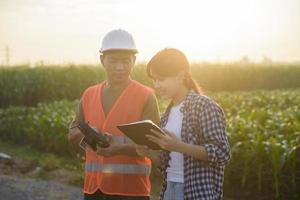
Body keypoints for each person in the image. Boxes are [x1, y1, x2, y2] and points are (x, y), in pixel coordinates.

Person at [68, 29, 160, 200]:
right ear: (102, 60)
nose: (120, 67)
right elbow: (73, 133)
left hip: (131, 191)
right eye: (113, 61)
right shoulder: (89, 94)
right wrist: (84, 134)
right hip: (93, 190)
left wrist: (119, 149)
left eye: (126, 61)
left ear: (134, 61)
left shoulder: (146, 96)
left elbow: (155, 147)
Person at [136, 48, 231, 200]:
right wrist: (149, 153)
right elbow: (166, 164)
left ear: (180, 76)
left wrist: (178, 146)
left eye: (161, 79)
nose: (156, 85)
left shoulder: (205, 106)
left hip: (197, 193)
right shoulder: (167, 114)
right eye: (154, 80)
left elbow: (222, 153)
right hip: (169, 190)